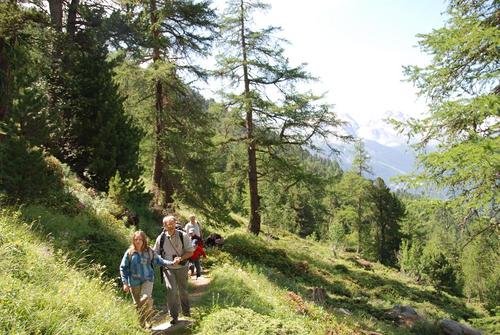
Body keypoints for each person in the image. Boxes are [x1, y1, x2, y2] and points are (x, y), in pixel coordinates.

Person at [119, 230, 173, 328]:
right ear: (133, 241)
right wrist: (125, 283)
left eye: (140, 239)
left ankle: (148, 319)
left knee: (145, 297)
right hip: (134, 282)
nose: (138, 241)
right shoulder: (130, 253)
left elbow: (158, 260)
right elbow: (123, 268)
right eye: (136, 239)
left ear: (144, 240)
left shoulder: (149, 251)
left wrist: (171, 262)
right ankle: (142, 326)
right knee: (138, 305)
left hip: (148, 279)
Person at [154, 215, 194, 325]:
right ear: (164, 225)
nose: (170, 226)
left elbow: (190, 252)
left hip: (182, 267)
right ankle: (174, 316)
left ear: (175, 223)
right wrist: (162, 261)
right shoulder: (160, 238)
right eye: (167, 224)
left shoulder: (183, 235)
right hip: (168, 268)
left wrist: (181, 258)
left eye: (172, 223)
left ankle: (186, 313)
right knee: (171, 291)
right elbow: (155, 254)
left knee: (183, 291)